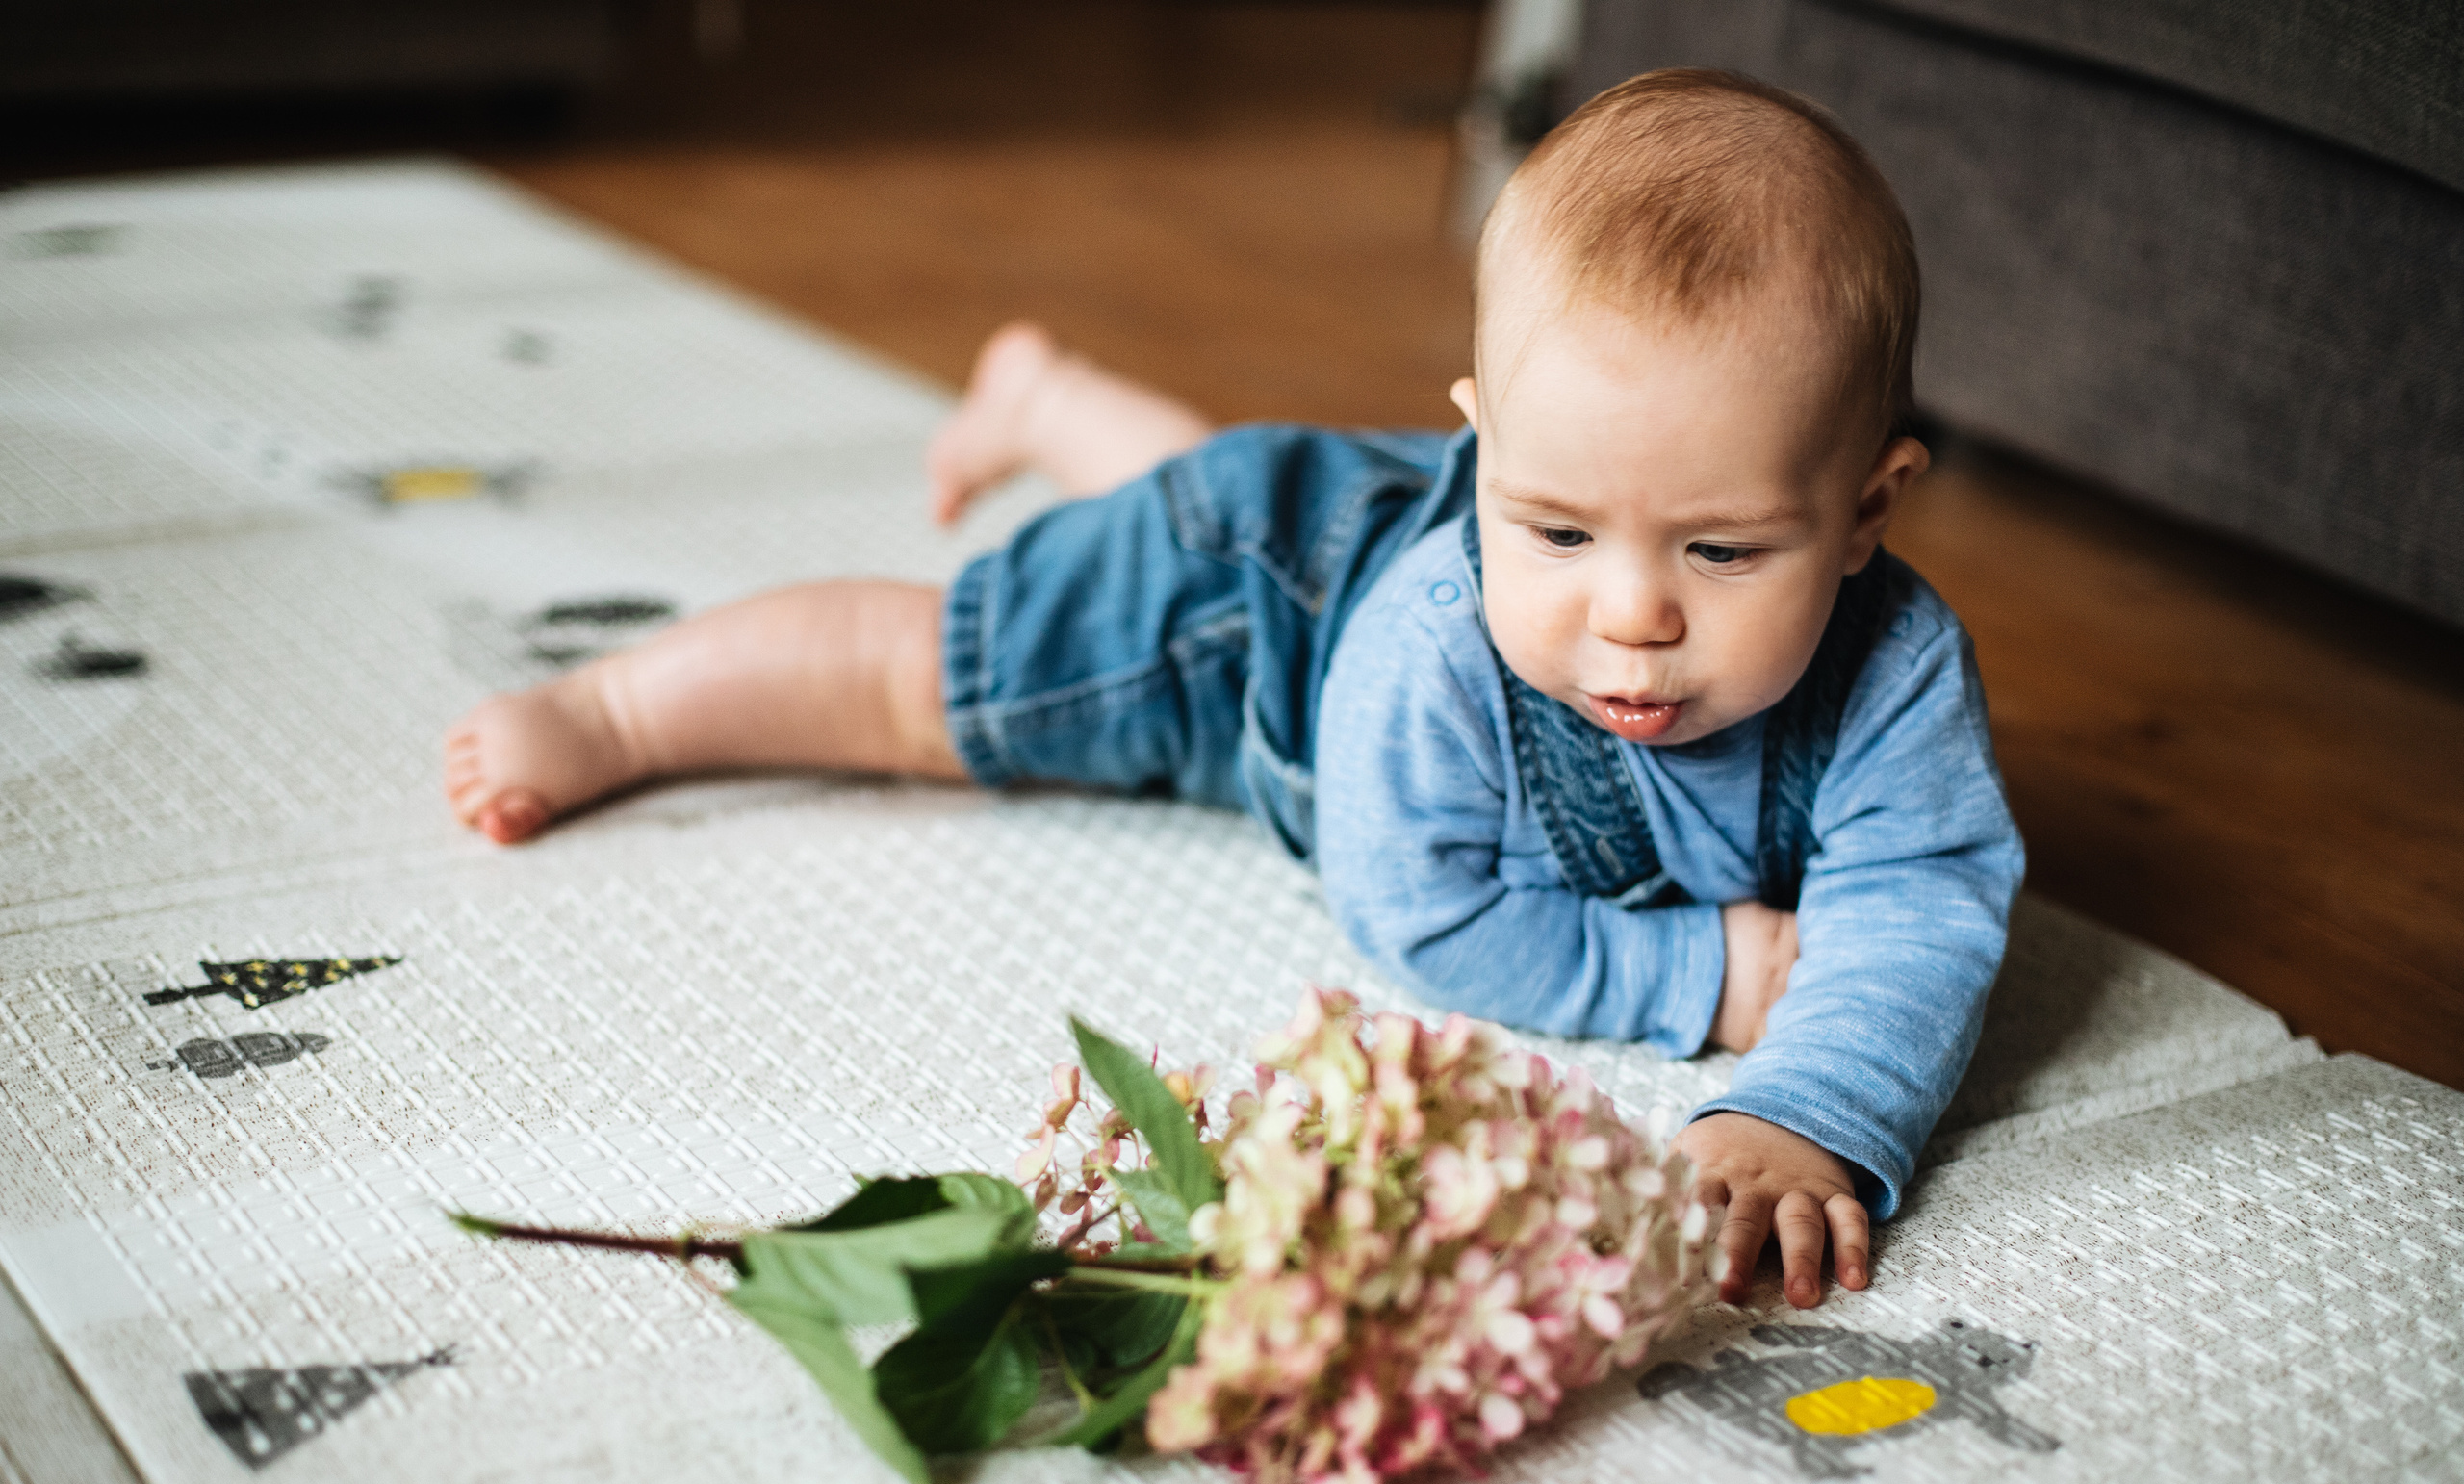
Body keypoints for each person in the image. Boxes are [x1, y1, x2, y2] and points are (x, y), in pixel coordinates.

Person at [443, 69, 2024, 1311]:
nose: (1630, 619)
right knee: (940, 685)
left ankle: (1052, 404)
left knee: (1252, 490)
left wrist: (1807, 1103)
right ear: (1481, 444)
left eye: (1725, 552)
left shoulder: (1896, 670)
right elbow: (1419, 905)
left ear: (1872, 510)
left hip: (1332, 518)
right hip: (1245, 631)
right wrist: (1698, 982)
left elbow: (1924, 895)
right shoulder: (1440, 640)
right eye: (1553, 529)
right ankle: (630, 713)